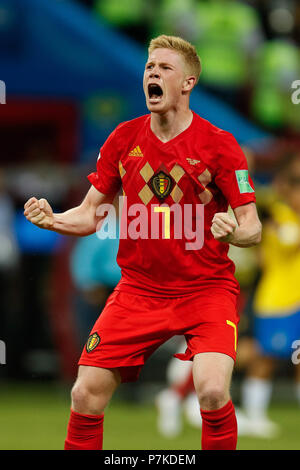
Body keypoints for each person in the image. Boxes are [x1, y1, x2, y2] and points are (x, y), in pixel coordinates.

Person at [23, 35, 261, 451]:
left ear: (187, 83)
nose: (153, 73)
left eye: (164, 68)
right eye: (150, 67)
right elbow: (90, 212)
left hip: (206, 291)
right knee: (85, 394)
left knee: (211, 391)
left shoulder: (220, 146)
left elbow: (252, 227)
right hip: (138, 291)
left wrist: (233, 232)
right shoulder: (122, 139)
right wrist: (54, 220)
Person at [239, 153, 300, 437]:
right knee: (265, 359)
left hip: (294, 300)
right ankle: (253, 415)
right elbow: (252, 196)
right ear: (285, 187)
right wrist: (243, 169)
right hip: (278, 301)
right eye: (296, 185)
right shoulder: (275, 214)